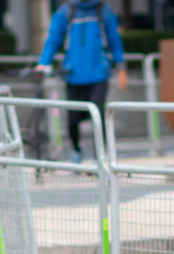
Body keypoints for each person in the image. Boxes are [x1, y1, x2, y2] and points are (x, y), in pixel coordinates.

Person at [35, 1, 127, 164]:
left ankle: (100, 156)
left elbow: (114, 39)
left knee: (98, 116)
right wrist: (44, 62)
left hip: (99, 74)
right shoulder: (66, 11)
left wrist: (121, 68)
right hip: (73, 74)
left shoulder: (103, 10)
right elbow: (54, 39)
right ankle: (76, 150)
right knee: (72, 120)